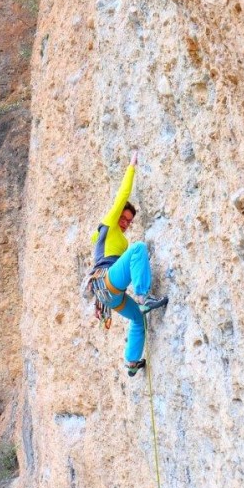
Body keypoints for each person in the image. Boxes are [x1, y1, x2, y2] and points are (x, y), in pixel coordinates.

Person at [89, 150, 168, 376]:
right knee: (139, 249)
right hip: (107, 282)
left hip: (109, 294)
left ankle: (132, 362)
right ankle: (144, 296)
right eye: (123, 218)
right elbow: (122, 196)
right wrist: (132, 165)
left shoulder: (117, 241)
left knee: (137, 319)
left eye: (129, 221)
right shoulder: (109, 225)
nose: (125, 223)